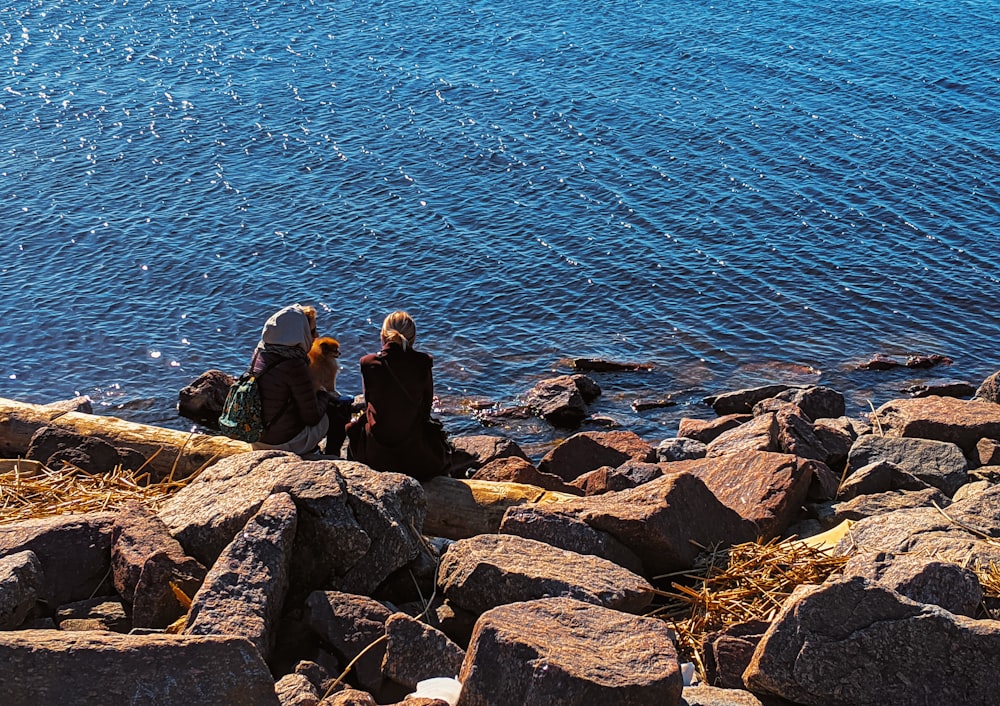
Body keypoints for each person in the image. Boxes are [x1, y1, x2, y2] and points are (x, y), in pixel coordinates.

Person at [346, 310, 450, 480]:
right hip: (415, 458)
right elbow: (425, 409)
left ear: (383, 336)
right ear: (413, 338)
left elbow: (369, 402)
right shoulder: (423, 362)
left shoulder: (368, 363)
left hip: (376, 456)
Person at [249, 304, 347, 456]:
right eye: (312, 331)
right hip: (282, 443)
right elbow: (312, 417)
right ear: (299, 333)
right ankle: (330, 456)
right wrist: (325, 395)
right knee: (339, 411)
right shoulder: (294, 364)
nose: (316, 335)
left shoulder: (260, 352)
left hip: (257, 438)